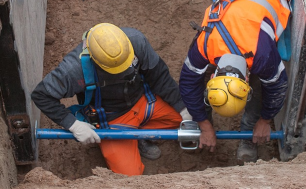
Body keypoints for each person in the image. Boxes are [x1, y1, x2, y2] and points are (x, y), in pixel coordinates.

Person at [32, 23, 190, 176]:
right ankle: (134, 137)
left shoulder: (136, 41)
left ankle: (140, 135)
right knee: (129, 178)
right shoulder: (74, 70)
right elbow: (41, 95)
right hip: (112, 120)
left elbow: (159, 76)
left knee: (192, 116)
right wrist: (73, 124)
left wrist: (183, 109)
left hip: (145, 102)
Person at [179, 0, 293, 164]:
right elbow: (188, 82)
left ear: (247, 79)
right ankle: (204, 127)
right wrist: (204, 125)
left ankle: (248, 136)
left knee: (262, 86)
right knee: (197, 77)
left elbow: (277, 87)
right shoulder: (206, 44)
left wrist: (264, 121)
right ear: (214, 73)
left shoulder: (262, 55)